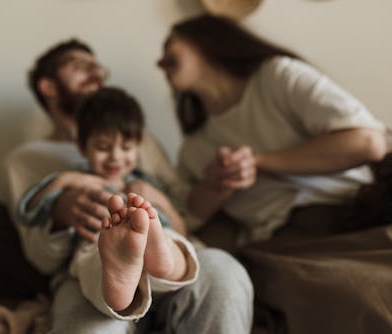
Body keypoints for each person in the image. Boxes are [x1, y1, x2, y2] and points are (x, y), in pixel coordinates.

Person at [6, 38, 254, 333]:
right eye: (80, 66)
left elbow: (186, 211)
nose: (97, 73)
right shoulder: (26, 159)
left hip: (171, 250)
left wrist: (219, 182)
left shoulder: (142, 141)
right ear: (49, 87)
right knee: (93, 300)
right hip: (90, 263)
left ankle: (164, 263)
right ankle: (122, 281)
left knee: (222, 271)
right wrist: (60, 209)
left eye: (98, 67)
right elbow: (38, 250)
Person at [157, 14, 389, 246]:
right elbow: (188, 219)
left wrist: (258, 162)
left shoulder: (276, 76)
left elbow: (369, 143)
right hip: (285, 237)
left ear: (205, 39)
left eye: (170, 45)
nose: (160, 63)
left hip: (358, 205)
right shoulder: (194, 149)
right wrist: (218, 183)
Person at [20, 86, 196, 317]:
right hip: (95, 246)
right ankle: (120, 275)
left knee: (171, 239)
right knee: (92, 259)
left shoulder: (147, 185)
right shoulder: (79, 183)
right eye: (103, 148)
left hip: (155, 251)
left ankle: (163, 259)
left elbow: (182, 227)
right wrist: (66, 179)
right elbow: (28, 209)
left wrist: (161, 199)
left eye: (126, 148)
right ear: (83, 147)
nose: (115, 157)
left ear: (138, 146)